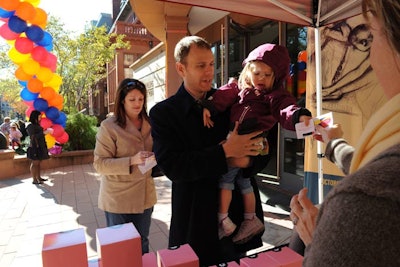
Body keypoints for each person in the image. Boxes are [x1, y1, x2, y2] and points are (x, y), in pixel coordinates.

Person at [289, 0, 400, 265]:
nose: (372, 56)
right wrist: (333, 143)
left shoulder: (367, 201)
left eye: (370, 37)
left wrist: (318, 239)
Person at [149, 35, 270, 266]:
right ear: (181, 68)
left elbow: (262, 155)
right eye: (201, 65)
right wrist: (225, 152)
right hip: (195, 221)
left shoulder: (234, 102)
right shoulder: (164, 113)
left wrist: (247, 161)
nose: (209, 72)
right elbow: (174, 167)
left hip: (235, 220)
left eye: (212, 64)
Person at [200, 43, 312, 244]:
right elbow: (224, 95)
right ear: (249, 72)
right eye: (257, 73)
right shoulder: (240, 89)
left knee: (226, 179)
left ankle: (223, 219)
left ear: (275, 77)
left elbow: (285, 107)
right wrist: (209, 106)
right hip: (237, 139)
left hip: (249, 138)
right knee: (243, 182)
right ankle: (250, 219)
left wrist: (298, 116)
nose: (261, 79)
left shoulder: (273, 97)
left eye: (267, 75)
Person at [93, 78, 157, 254]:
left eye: (141, 99)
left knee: (142, 242)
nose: (137, 103)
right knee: (120, 247)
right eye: (132, 99)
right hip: (118, 199)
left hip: (145, 196)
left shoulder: (150, 123)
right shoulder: (109, 127)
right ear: (122, 100)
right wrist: (131, 160)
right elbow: (99, 164)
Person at [26, 110, 50, 184]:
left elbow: (39, 135)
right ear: (35, 116)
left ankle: (39, 177)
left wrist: (44, 133)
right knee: (35, 163)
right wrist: (43, 133)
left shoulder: (37, 125)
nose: (40, 118)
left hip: (40, 146)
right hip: (34, 147)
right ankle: (34, 179)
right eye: (39, 116)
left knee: (38, 163)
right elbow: (33, 137)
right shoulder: (30, 125)